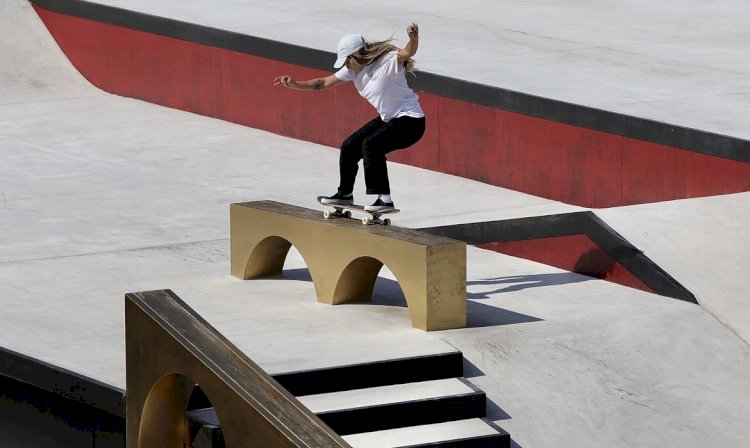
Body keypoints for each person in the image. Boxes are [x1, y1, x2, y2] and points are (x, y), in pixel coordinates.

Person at [274, 23, 425, 212]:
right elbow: (323, 83)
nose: (346, 65)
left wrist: (413, 38)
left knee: (371, 145)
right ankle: (345, 195)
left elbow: (407, 53)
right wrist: (296, 84)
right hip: (390, 119)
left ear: (357, 55)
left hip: (411, 121)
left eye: (347, 60)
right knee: (350, 146)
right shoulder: (352, 69)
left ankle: (384, 200)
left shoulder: (387, 61)